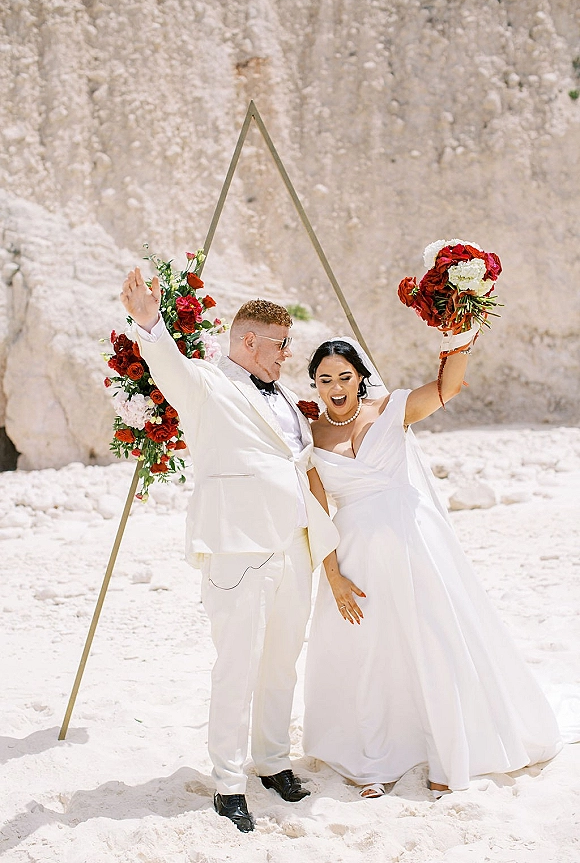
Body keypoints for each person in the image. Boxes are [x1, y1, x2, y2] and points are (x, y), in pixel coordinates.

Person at [120, 268, 339, 832]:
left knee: (280, 664)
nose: (288, 355)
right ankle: (227, 783)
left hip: (294, 548)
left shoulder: (286, 398)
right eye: (281, 345)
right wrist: (150, 321)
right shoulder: (207, 385)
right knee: (237, 667)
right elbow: (165, 364)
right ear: (248, 342)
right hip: (238, 553)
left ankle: (271, 763)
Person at [302, 334, 562, 799]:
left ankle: (449, 754)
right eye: (325, 379)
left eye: (344, 376)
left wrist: (461, 331)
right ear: (315, 385)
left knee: (434, 642)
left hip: (415, 542)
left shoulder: (391, 410)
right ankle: (373, 761)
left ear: (361, 377)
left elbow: (448, 389)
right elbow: (318, 514)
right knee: (369, 657)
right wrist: (334, 578)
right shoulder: (313, 437)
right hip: (356, 559)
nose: (336, 386)